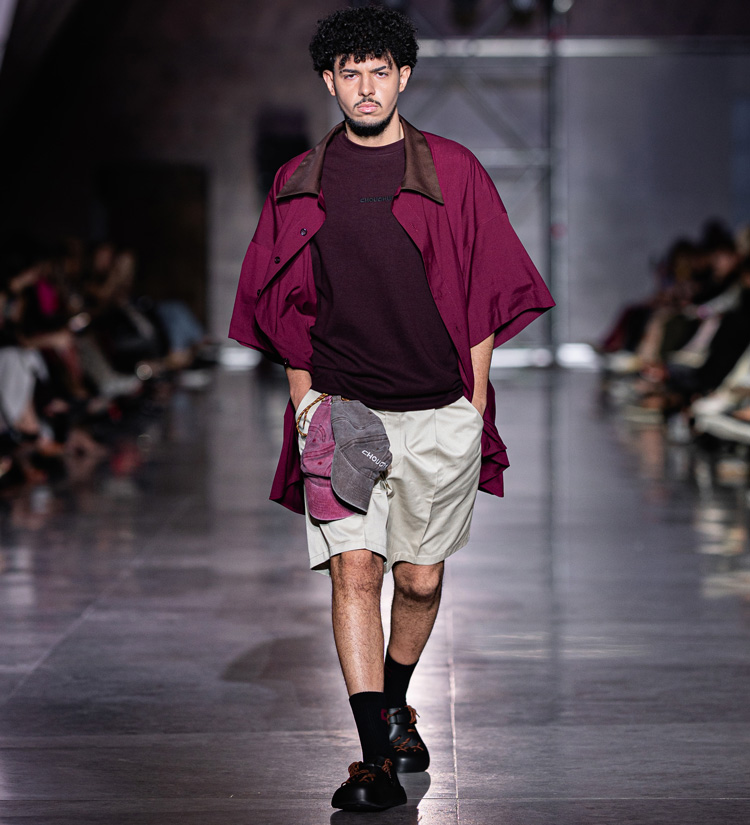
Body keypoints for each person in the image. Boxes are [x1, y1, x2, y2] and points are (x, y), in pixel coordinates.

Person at [230, 6, 553, 813]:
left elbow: (485, 285)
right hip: (343, 407)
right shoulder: (300, 180)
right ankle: (373, 756)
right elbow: (282, 300)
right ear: (329, 81)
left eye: (380, 71)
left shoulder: (454, 170)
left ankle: (398, 702)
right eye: (351, 73)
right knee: (355, 570)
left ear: (404, 76)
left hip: (437, 408)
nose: (366, 87)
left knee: (419, 579)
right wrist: (306, 405)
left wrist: (473, 402)